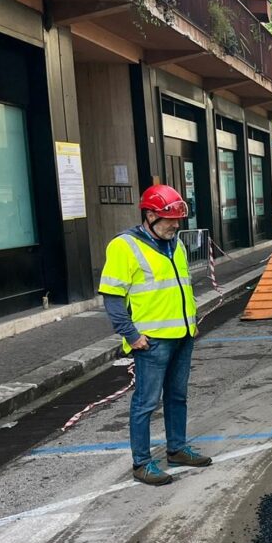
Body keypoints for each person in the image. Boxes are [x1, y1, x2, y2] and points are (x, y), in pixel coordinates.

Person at [99, 184, 211, 486]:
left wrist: (192, 321)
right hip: (151, 340)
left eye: (177, 220)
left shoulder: (176, 244)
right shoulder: (124, 246)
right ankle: (142, 463)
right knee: (146, 403)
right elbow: (112, 297)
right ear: (149, 215)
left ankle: (176, 449)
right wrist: (131, 335)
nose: (175, 226)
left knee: (177, 396)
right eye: (168, 219)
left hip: (183, 334)